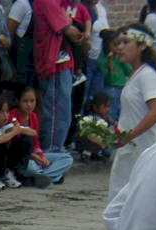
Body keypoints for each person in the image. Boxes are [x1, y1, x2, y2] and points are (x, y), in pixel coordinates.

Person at [107, 24, 156, 204]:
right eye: (118, 43)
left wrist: (129, 135)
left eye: (126, 42)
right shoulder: (136, 75)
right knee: (121, 202)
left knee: (135, 202)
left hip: (146, 148)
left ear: (142, 46)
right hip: (131, 148)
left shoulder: (148, 75)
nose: (120, 47)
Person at [33, 0, 83, 152]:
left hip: (64, 62)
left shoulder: (63, 4)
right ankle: (51, 152)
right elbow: (73, 33)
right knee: (55, 112)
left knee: (63, 111)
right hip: (52, 64)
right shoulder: (48, 2)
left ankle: (56, 150)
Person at [9, 87, 74, 187]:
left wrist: (41, 156)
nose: (29, 105)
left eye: (32, 101)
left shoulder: (34, 117)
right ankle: (53, 176)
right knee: (32, 167)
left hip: (35, 156)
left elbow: (36, 142)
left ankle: (43, 176)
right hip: (21, 158)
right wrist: (35, 157)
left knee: (67, 158)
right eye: (25, 101)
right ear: (18, 101)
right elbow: (16, 146)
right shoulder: (13, 116)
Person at [98, 29, 133, 122]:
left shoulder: (119, 57)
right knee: (111, 114)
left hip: (122, 87)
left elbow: (128, 71)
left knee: (122, 114)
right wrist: (109, 61)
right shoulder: (103, 58)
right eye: (115, 44)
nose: (118, 47)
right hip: (111, 88)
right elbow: (108, 75)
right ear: (108, 44)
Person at [83, 0, 110, 105]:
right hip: (88, 57)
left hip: (101, 57)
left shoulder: (101, 9)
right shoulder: (83, 8)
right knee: (84, 95)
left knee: (96, 97)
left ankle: (94, 120)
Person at [7, 0, 34, 87]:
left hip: (32, 56)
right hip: (19, 57)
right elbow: (8, 31)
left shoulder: (37, 4)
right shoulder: (21, 4)